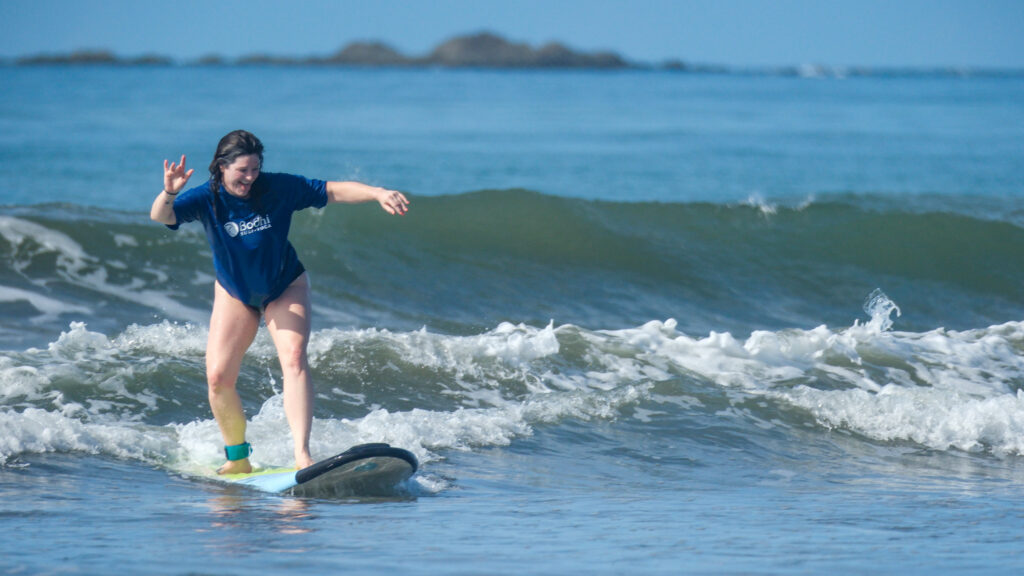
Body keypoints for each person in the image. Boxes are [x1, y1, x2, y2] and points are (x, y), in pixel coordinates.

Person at [150, 130, 409, 474]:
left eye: (255, 169)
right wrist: (169, 191)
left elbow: (331, 190)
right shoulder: (206, 198)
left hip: (284, 285)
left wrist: (378, 193)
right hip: (235, 293)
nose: (250, 178)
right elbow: (162, 217)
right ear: (221, 167)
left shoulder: (278, 188)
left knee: (294, 358)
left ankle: (302, 454)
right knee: (217, 378)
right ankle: (238, 458)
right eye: (242, 170)